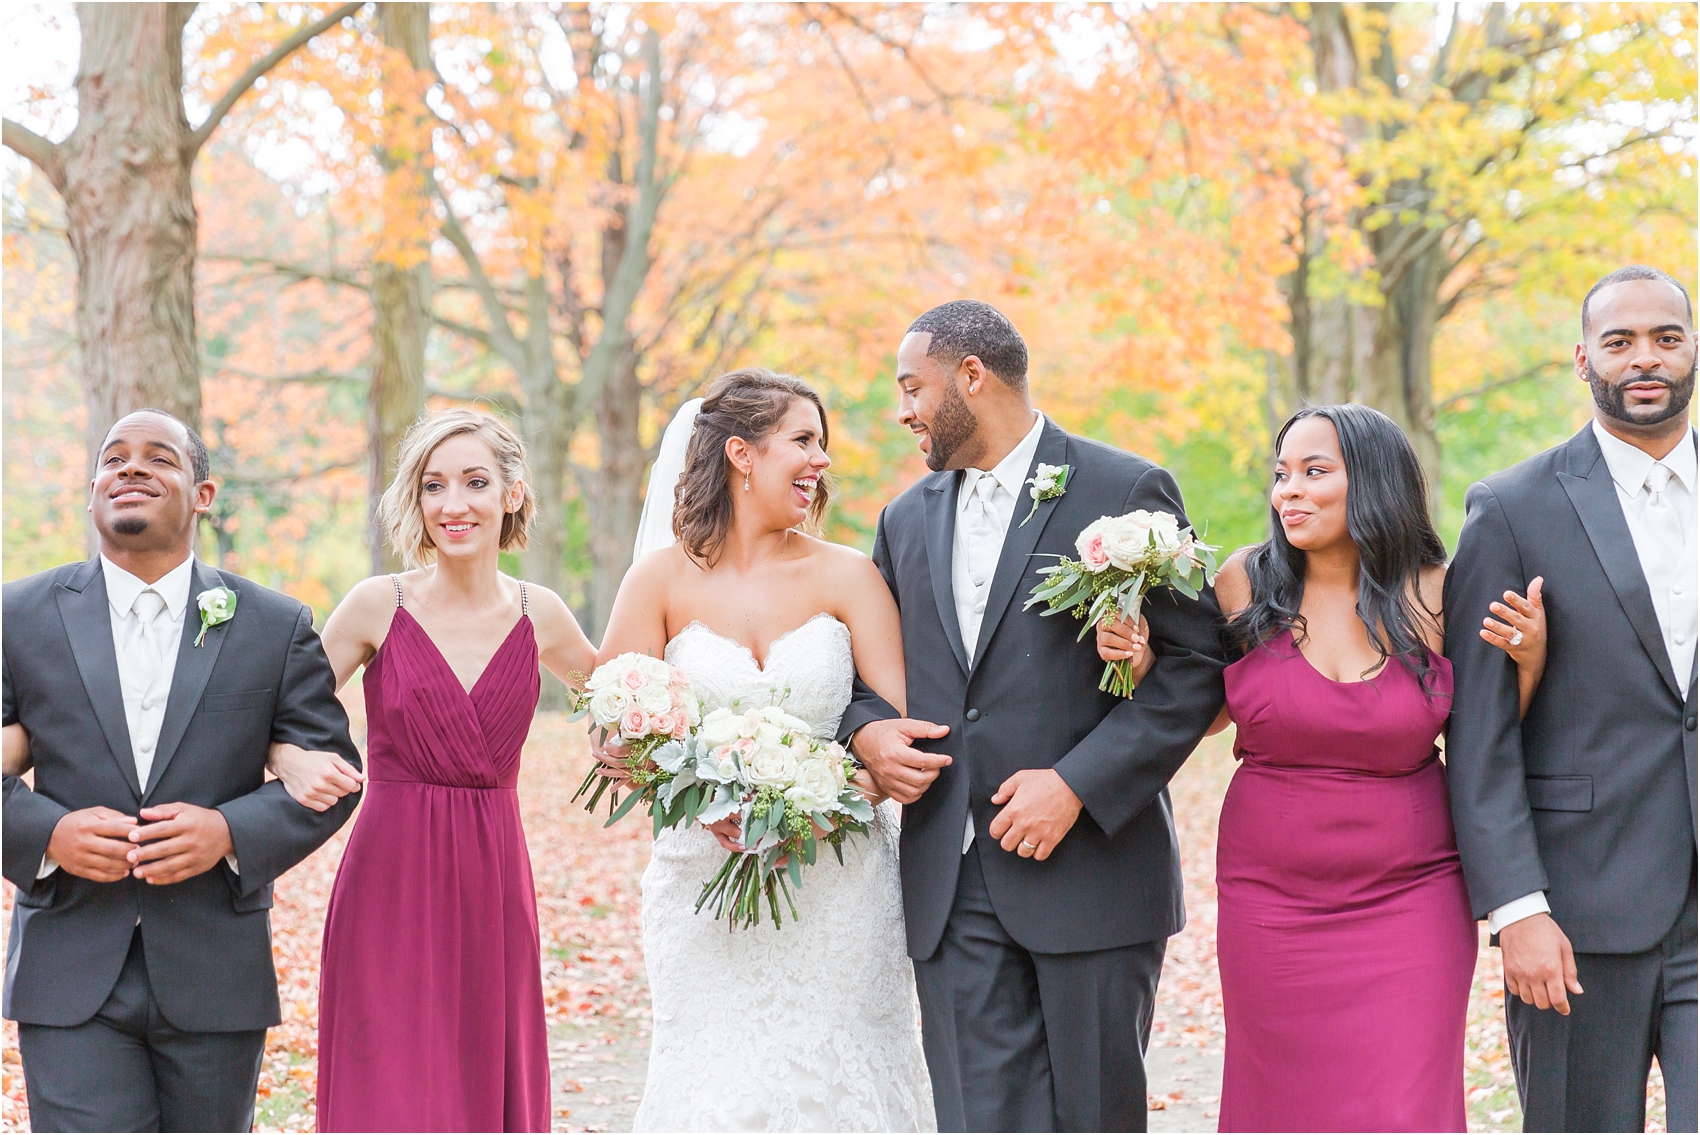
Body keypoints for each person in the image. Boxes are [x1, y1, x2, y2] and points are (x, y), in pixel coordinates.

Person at [1101, 403, 1547, 1131]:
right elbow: (1214, 709)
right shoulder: (1245, 581)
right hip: (1270, 901)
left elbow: (1485, 737)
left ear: (1372, 481)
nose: (1289, 492)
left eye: (1314, 472)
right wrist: (1147, 659)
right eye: (1282, 475)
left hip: (1413, 896)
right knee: (1281, 1105)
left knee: (1404, 1107)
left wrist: (1527, 662)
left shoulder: (1438, 591)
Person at [838, 301, 1228, 1133]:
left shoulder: (1124, 487)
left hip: (1092, 871)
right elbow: (864, 678)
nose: (902, 411)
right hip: (951, 877)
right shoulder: (902, 520)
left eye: (913, 388)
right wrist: (868, 733)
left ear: (971, 376)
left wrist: (1078, 785)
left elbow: (1196, 668)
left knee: (1095, 1117)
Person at [0, 409, 362, 1132]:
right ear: (92, 489)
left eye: (159, 458)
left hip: (214, 971)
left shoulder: (273, 623)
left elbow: (333, 772)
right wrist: (48, 835)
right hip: (69, 966)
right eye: (114, 458)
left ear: (203, 493)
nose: (131, 468)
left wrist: (229, 831)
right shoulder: (17, 616)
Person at [603, 368, 935, 1132]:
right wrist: (670, 779)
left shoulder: (849, 574)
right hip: (703, 878)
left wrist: (828, 801)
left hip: (838, 885)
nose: (820, 460)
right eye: (803, 440)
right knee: (716, 1085)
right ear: (742, 455)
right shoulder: (657, 580)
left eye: (822, 443)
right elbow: (613, 722)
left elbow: (899, 729)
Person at [269, 409, 597, 1132]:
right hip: (391, 871)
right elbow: (280, 716)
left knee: (484, 1065)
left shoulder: (542, 614)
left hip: (495, 876)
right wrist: (289, 757)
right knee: (390, 1075)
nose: (454, 504)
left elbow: (628, 713)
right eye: (434, 486)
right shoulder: (375, 604)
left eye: (475, 482)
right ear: (416, 502)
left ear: (512, 493)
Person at [1444, 264, 1697, 1132]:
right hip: (1578, 916)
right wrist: (1517, 908)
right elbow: (1477, 734)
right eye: (1620, 341)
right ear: (1581, 358)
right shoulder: (1511, 508)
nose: (1645, 358)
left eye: (1666, 337)